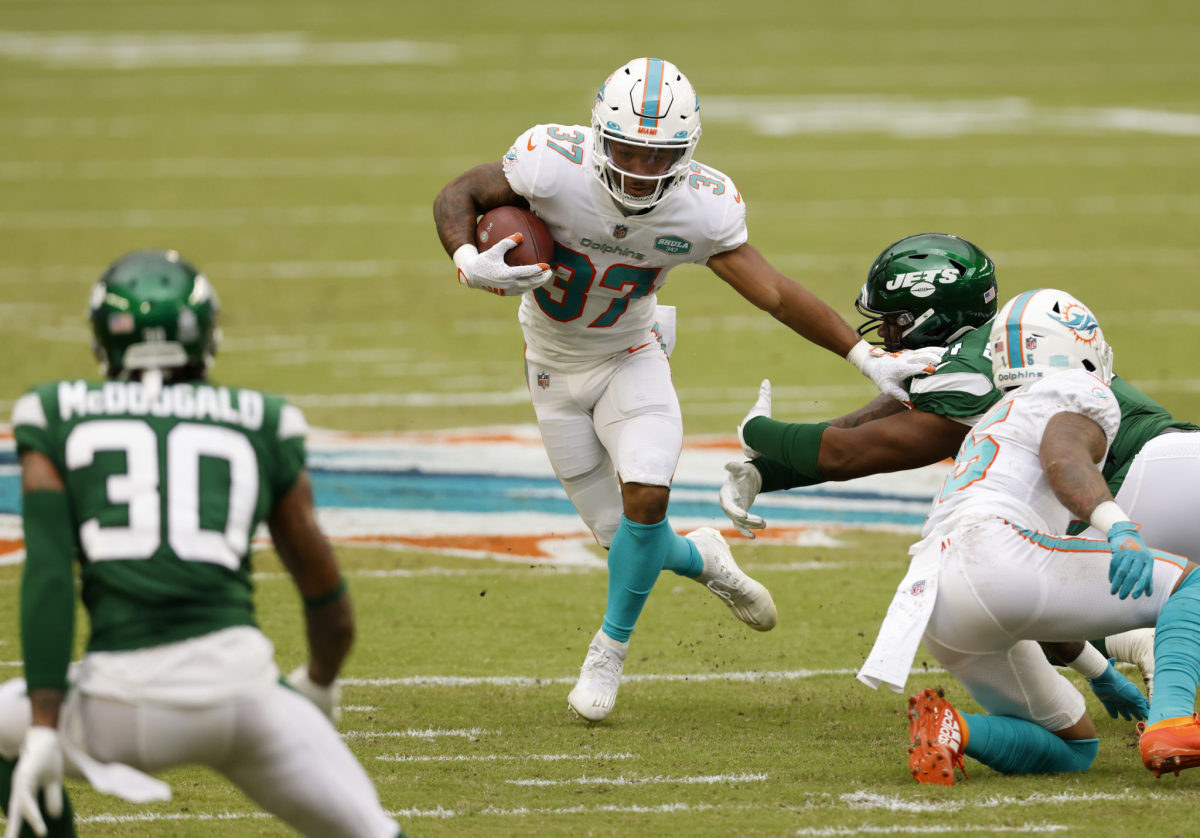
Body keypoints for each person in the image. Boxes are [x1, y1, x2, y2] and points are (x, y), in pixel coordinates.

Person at [432, 57, 940, 722]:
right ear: (597, 135)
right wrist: (468, 260)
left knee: (646, 492)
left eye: (659, 156)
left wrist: (866, 357)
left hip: (630, 354)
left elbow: (776, 293)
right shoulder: (548, 163)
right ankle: (703, 555)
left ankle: (607, 654)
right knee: (624, 544)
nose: (642, 170)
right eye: (627, 151)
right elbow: (456, 197)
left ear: (687, 151)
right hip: (551, 367)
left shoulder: (701, 207)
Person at [1, 250, 424, 838]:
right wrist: (320, 683)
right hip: (241, 699)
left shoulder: (53, 414)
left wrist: (44, 724)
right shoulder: (261, 421)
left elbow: (47, 575)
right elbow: (325, 593)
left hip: (119, 701)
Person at [721, 232, 1200, 710]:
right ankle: (1140, 658)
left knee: (1042, 599)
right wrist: (765, 473)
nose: (884, 334)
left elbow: (850, 452)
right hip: (1172, 462)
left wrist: (758, 432)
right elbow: (859, 429)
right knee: (1039, 596)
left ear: (933, 316)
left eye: (894, 321)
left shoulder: (971, 374)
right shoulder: (983, 351)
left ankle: (1155, 682)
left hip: (1138, 481)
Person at [856, 288, 1200, 784]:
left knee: (1074, 745)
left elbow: (1034, 595)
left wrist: (1100, 675)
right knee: (1189, 584)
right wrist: (1116, 525)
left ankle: (953, 730)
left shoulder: (991, 422)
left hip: (936, 598)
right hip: (997, 555)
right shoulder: (1080, 390)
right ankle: (1171, 721)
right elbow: (1062, 458)